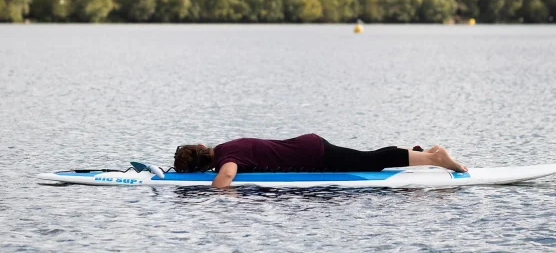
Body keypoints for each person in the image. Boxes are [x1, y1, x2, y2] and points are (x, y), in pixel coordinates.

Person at [174, 133, 468, 188]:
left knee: (369, 163)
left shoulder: (227, 157)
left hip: (311, 153)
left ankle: (436, 158)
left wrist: (211, 192)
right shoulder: (226, 145)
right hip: (308, 146)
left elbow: (226, 177)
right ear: (203, 145)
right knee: (367, 159)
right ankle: (422, 153)